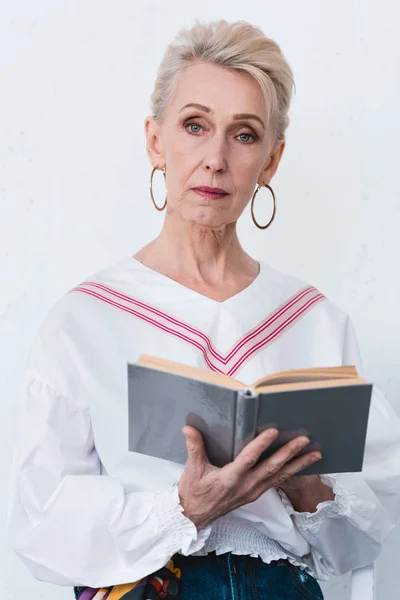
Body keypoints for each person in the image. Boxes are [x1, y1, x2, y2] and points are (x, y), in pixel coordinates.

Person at [7, 19, 400, 600]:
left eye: (244, 135)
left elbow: (363, 540)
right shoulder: (85, 321)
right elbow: (40, 522)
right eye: (195, 126)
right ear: (155, 140)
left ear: (271, 161)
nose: (215, 158)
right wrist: (181, 507)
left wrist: (304, 484)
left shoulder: (315, 321)